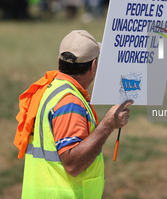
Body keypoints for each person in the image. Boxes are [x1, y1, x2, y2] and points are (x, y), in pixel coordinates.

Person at [14, 30, 133, 198]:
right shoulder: (69, 102)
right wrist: (107, 125)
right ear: (93, 66)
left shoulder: (51, 89)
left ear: (59, 61)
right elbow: (73, 164)